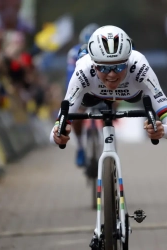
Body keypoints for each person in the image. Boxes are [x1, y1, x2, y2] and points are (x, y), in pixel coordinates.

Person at [50, 25, 167, 149]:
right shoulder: (84, 69)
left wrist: (162, 131)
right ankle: (81, 147)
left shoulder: (140, 67)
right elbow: (54, 133)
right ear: (94, 64)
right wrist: (58, 135)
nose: (112, 74)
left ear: (128, 61)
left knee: (111, 111)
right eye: (104, 67)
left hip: (130, 95)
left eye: (119, 66)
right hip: (92, 95)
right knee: (79, 110)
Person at [65, 23, 99, 167]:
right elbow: (70, 77)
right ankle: (80, 147)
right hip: (81, 87)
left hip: (101, 88)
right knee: (77, 116)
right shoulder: (74, 53)